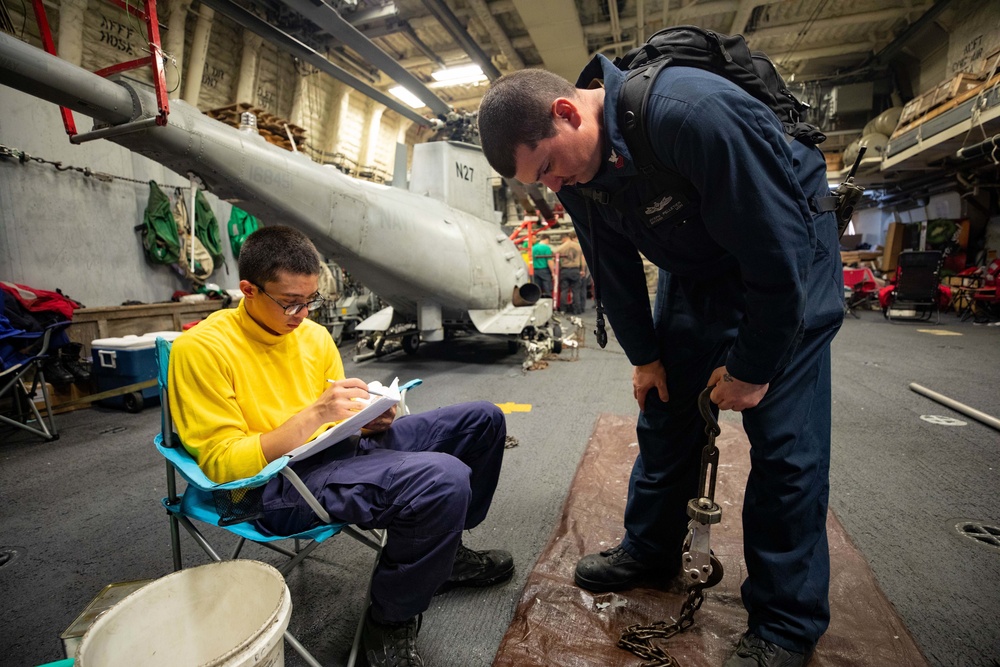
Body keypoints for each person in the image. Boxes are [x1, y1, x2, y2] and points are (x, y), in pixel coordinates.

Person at [478, 57, 843, 667]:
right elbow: (612, 269)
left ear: (567, 112)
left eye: (547, 167)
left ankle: (785, 624)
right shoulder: (578, 170)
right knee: (665, 407)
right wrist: (646, 358)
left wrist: (752, 368)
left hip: (788, 260)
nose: (554, 186)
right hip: (696, 263)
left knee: (786, 445)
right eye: (538, 181)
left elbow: (777, 256)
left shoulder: (693, 114)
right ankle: (650, 550)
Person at [168, 225, 514, 667]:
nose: (302, 314)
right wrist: (314, 416)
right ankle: (390, 621)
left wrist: (370, 417)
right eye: (290, 302)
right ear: (248, 290)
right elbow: (221, 467)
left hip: (338, 449)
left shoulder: (311, 335)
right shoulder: (201, 350)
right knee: (442, 480)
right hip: (271, 483)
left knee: (483, 419)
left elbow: (337, 411)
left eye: (310, 301)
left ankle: (444, 556)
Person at [555, 230, 586, 313]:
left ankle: (563, 309)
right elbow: (582, 260)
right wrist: (582, 270)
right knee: (576, 291)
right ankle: (577, 310)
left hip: (565, 270)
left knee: (564, 290)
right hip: (575, 270)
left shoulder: (562, 247)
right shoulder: (578, 246)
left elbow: (555, 254)